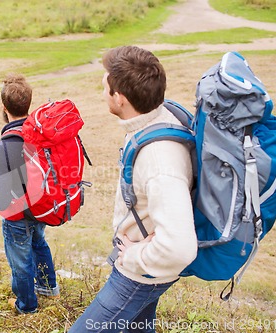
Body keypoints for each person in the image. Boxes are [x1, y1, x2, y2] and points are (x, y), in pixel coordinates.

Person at [69, 46, 198, 332]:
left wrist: (134, 257)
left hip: (139, 276)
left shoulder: (159, 160)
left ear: (120, 98)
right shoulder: (157, 119)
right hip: (148, 270)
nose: (102, 92)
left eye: (105, 87)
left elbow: (180, 248)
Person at [0, 74, 60, 314]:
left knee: (20, 262)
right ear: (29, 103)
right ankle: (48, 286)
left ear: (4, 107)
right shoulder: (40, 136)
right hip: (42, 208)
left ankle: (26, 305)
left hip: (16, 217)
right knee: (39, 243)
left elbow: (0, 197)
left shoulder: (3, 146)